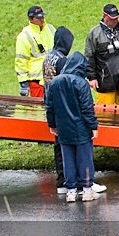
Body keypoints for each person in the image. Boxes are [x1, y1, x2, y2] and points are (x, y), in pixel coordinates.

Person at [45, 52, 100, 203]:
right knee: (84, 159)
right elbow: (87, 108)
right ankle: (87, 190)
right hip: (81, 128)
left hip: (63, 128)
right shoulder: (81, 83)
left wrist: (52, 124)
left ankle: (71, 191)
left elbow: (50, 106)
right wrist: (93, 126)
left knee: (67, 159)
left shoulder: (55, 82)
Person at [15, 5, 55, 97]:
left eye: (43, 16)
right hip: (36, 82)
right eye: (39, 18)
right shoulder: (24, 36)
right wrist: (23, 84)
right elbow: (21, 61)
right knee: (38, 110)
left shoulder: (50, 28)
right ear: (31, 19)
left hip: (53, 78)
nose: (42, 19)